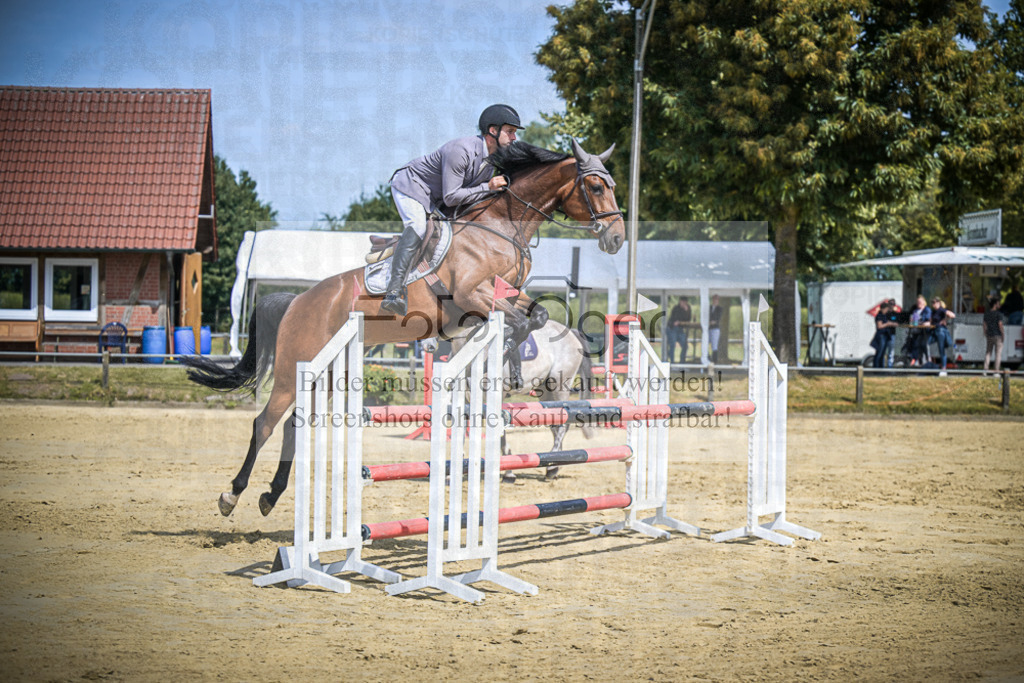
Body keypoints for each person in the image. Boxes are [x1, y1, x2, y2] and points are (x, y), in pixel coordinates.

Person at [380, 104, 524, 316]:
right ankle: (393, 292)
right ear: (493, 130)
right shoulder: (461, 150)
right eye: (510, 131)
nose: (514, 138)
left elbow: (469, 198)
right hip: (411, 186)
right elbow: (452, 196)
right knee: (418, 227)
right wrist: (488, 187)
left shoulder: (490, 161)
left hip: (437, 198)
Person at [929, 297, 956, 375]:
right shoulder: (933, 312)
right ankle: (928, 363)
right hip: (934, 331)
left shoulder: (941, 310)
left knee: (942, 350)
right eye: (932, 303)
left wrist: (945, 320)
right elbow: (931, 321)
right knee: (926, 343)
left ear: (938, 303)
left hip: (941, 331)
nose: (933, 304)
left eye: (934, 302)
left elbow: (952, 315)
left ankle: (944, 369)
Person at [665, 296, 692, 364]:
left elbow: (688, 320)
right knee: (672, 345)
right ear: (680, 301)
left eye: (685, 302)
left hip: (680, 330)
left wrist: (687, 311)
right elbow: (676, 320)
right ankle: (672, 363)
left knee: (685, 345)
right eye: (683, 302)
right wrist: (684, 312)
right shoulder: (676, 308)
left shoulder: (688, 309)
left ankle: (682, 362)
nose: (684, 304)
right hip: (672, 329)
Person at [983, 297, 1006, 374]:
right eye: (998, 303)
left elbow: (984, 324)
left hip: (989, 335)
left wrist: (985, 332)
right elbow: (1000, 324)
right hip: (998, 336)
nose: (999, 304)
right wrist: (1003, 334)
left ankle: (985, 370)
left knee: (988, 353)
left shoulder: (987, 313)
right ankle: (996, 371)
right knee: (998, 354)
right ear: (995, 304)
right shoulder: (999, 314)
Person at [907, 294, 931, 365]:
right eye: (917, 302)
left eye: (920, 302)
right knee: (914, 345)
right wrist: (911, 320)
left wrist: (920, 322)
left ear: (924, 302)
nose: (918, 304)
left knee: (924, 345)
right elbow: (913, 321)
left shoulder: (927, 310)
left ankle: (926, 361)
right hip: (916, 331)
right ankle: (916, 361)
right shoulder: (915, 310)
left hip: (924, 332)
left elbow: (927, 320)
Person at [872, 301, 897, 368]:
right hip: (881, 336)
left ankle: (881, 367)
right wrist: (888, 324)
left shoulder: (884, 315)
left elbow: (887, 322)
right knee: (879, 353)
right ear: (883, 309)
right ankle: (876, 368)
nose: (887, 310)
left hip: (885, 335)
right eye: (886, 309)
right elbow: (879, 326)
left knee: (882, 353)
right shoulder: (879, 315)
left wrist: (891, 323)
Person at [708, 294, 723, 364]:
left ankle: (714, 362)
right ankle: (707, 360)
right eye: (714, 299)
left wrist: (712, 321)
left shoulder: (720, 309)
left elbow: (717, 318)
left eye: (716, 300)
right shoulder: (709, 308)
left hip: (715, 329)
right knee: (706, 344)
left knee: (714, 346)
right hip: (708, 328)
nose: (715, 301)